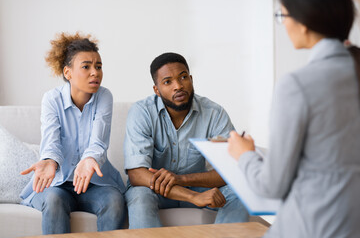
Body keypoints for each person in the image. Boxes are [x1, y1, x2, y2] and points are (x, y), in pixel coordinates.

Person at [228, 0, 360, 237]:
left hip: (311, 226)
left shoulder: (297, 85)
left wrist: (243, 154)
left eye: (283, 16)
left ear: (304, 22)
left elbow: (271, 185)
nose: (284, 24)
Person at [124, 52, 249, 229]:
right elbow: (137, 175)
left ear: (191, 79)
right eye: (168, 82)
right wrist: (191, 197)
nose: (178, 86)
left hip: (195, 185)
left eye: (183, 77)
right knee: (140, 196)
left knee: (241, 192)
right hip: (153, 190)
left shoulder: (214, 113)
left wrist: (181, 180)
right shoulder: (141, 112)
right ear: (156, 90)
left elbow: (230, 171)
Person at [20, 32, 126, 234]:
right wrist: (50, 160)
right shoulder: (51, 99)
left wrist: (89, 160)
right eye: (86, 67)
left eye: (98, 66)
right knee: (53, 199)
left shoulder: (104, 96)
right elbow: (51, 141)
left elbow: (98, 142)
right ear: (68, 73)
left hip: (95, 184)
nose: (95, 72)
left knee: (115, 201)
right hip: (58, 183)